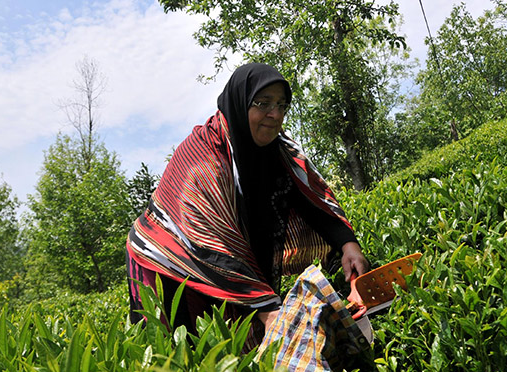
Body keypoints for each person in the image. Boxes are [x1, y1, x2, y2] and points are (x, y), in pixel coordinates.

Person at [126, 63, 369, 348]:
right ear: (240, 104)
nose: (275, 114)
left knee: (253, 340)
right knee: (186, 352)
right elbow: (210, 243)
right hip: (169, 265)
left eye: (281, 105)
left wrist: (348, 246)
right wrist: (265, 307)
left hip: (231, 259)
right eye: (263, 103)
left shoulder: (278, 151)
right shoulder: (203, 158)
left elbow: (309, 198)